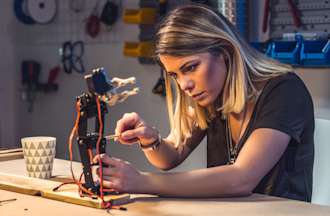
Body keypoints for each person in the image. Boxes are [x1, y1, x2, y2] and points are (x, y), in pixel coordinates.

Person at [93, 4, 314, 202]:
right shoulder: (212, 94)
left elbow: (241, 178)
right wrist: (150, 140)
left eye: (190, 67)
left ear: (225, 52)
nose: (183, 85)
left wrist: (141, 182)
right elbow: (171, 156)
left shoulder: (284, 91)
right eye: (174, 75)